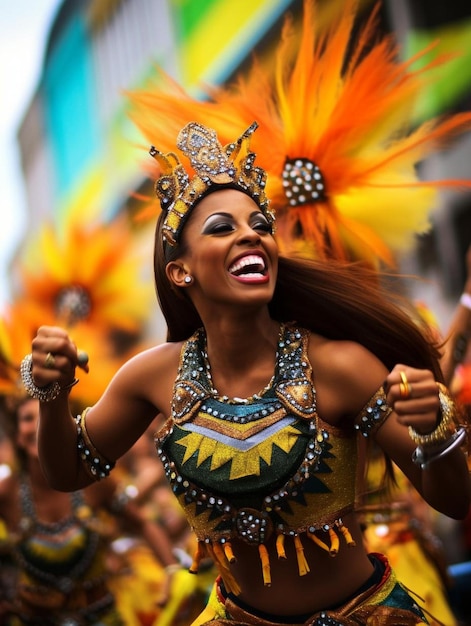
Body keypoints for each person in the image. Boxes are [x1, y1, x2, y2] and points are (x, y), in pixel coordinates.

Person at [21, 119, 470, 626]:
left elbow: (453, 500)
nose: (251, 237)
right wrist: (52, 394)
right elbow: (67, 472)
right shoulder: (149, 377)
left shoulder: (339, 365)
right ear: (180, 271)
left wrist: (434, 428)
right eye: (222, 228)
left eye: (260, 226)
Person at [0, 394, 182, 626]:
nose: (39, 425)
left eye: (47, 416)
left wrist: (173, 570)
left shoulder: (95, 481)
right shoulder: (6, 493)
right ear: (17, 435)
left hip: (104, 617)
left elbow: (142, 522)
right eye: (28, 418)